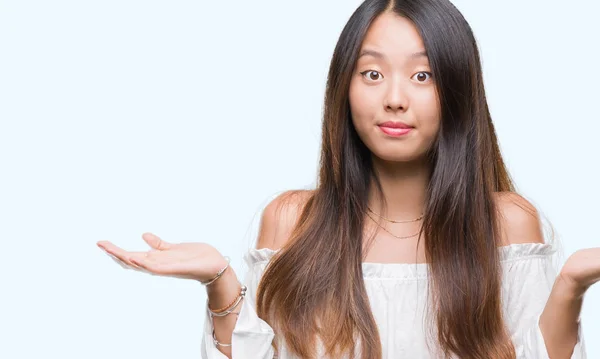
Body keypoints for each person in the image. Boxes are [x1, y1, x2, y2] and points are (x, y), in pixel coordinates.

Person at [97, 0, 599, 358]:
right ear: (345, 88)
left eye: (422, 76)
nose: (395, 98)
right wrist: (220, 282)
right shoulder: (292, 220)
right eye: (372, 73)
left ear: (458, 91)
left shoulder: (505, 222)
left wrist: (572, 284)